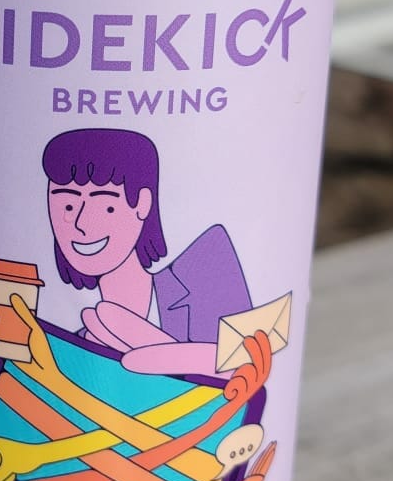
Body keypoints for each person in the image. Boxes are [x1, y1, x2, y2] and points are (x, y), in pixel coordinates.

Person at [41, 127, 251, 373]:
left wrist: (174, 356)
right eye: (67, 206)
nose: (81, 223)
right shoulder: (75, 348)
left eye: (106, 206)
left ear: (142, 203)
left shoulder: (205, 267)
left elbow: (249, 364)